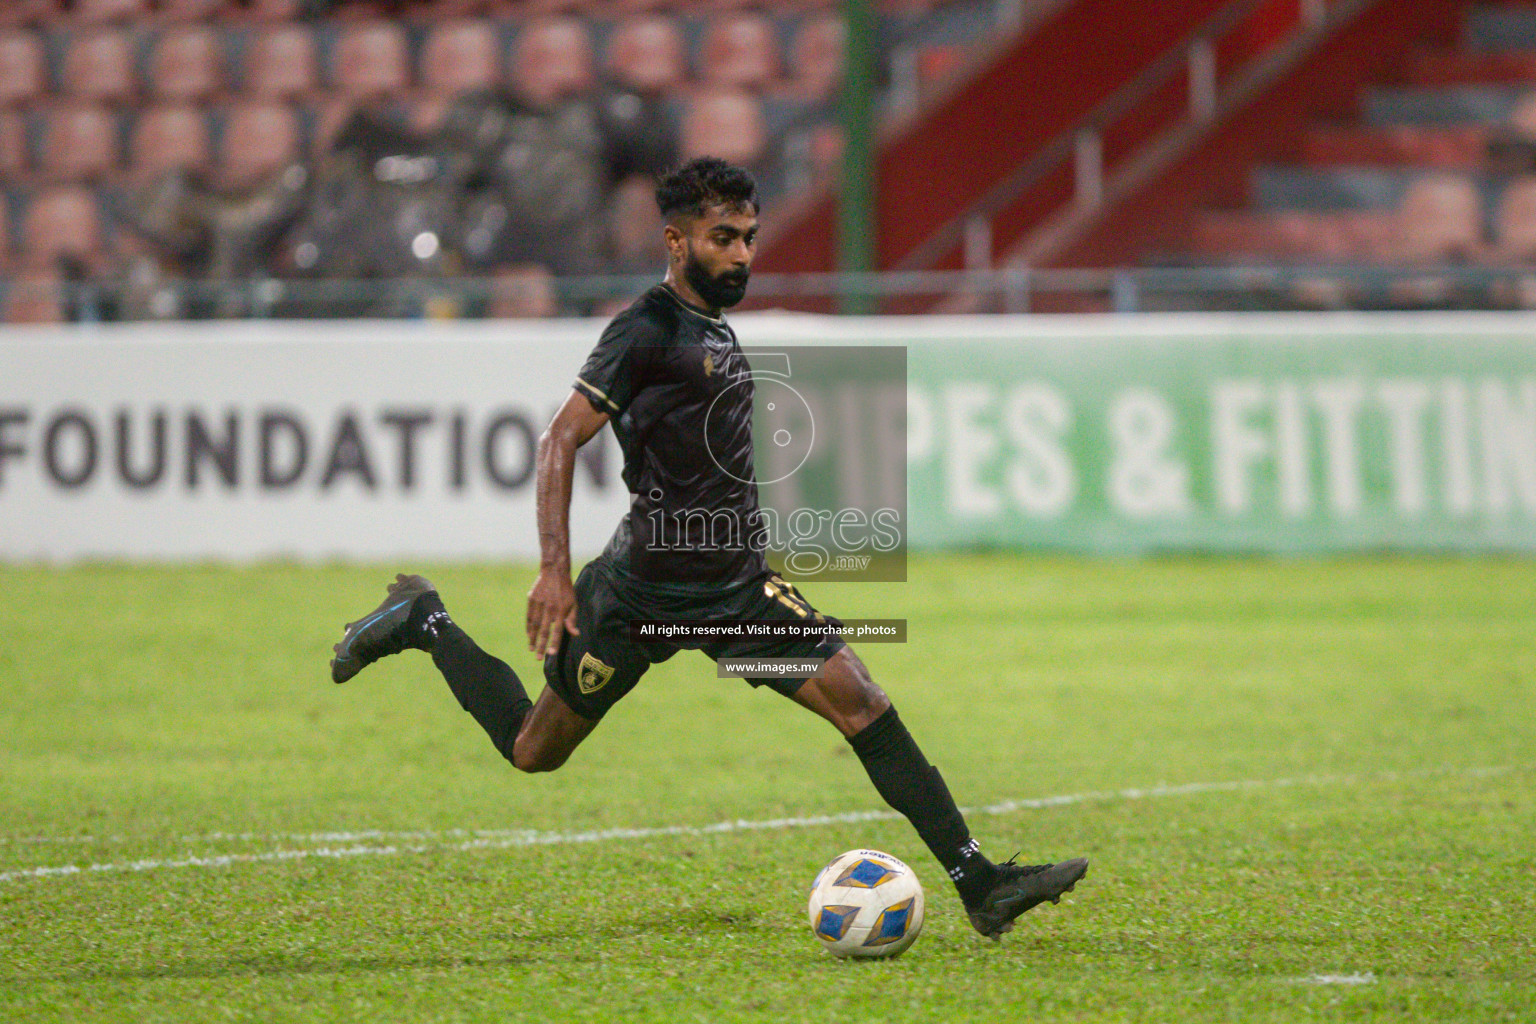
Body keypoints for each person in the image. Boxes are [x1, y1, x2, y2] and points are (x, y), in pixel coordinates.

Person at [330, 156, 1088, 940]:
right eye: (723, 238)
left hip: (734, 593)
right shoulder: (646, 330)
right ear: (675, 240)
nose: (743, 255)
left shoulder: (714, 328)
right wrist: (554, 572)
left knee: (861, 700)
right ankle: (425, 620)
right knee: (532, 751)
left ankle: (981, 885)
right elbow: (560, 441)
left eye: (750, 238)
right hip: (638, 594)